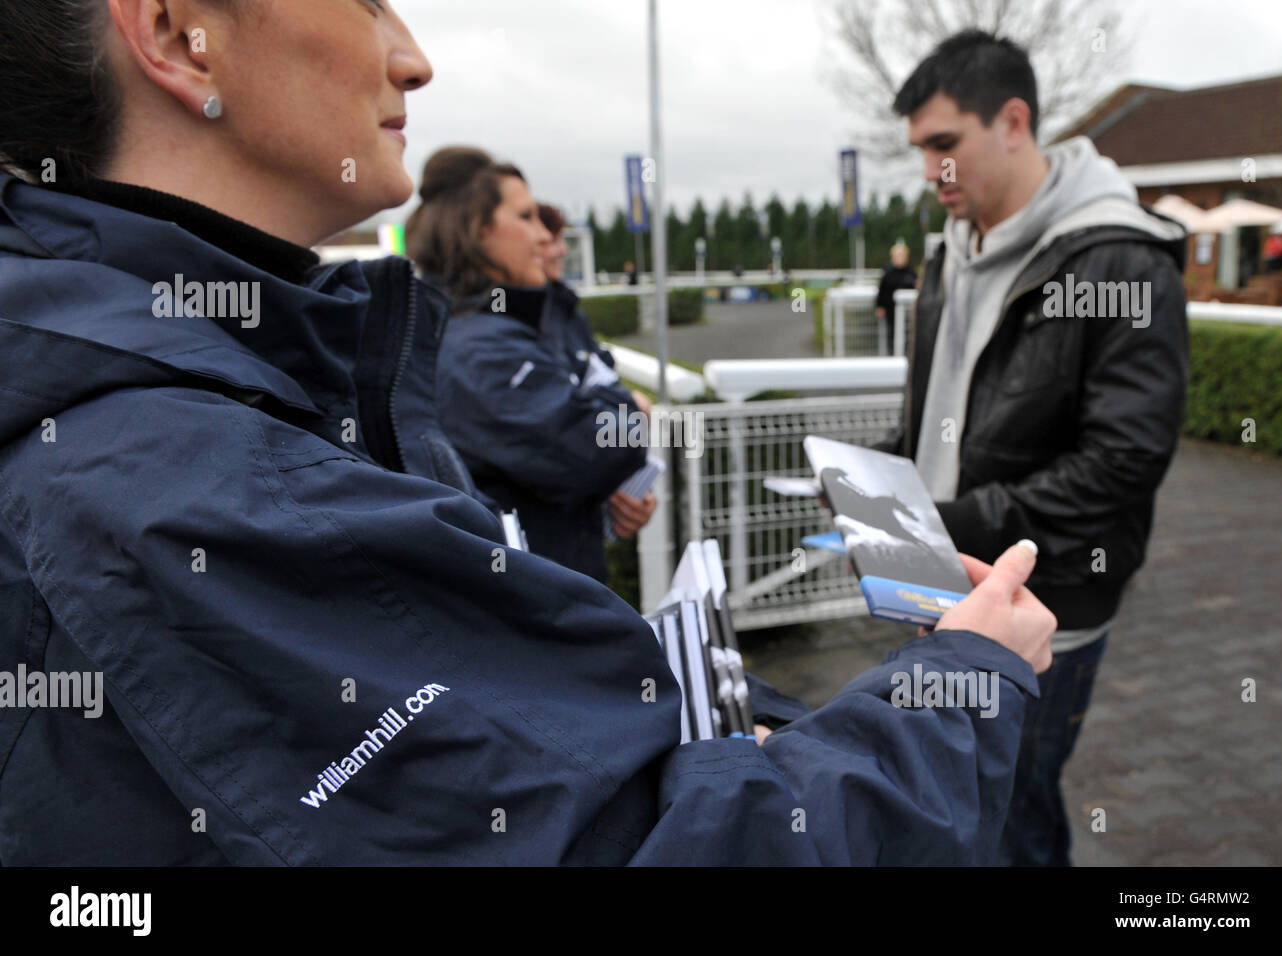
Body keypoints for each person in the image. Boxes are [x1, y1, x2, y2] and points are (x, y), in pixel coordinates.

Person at [0, 0, 1053, 866]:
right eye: (366, 1)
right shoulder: (187, 476)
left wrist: (720, 736)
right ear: (183, 33)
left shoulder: (206, 402)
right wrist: (960, 686)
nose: (412, 57)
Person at [881, 29, 1190, 866]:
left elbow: (1124, 460)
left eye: (945, 145)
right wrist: (880, 491)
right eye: (918, 151)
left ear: (1014, 121)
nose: (929, 173)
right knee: (952, 801)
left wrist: (952, 521)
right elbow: (938, 408)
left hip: (1046, 601)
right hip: (940, 582)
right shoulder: (952, 253)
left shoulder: (1120, 256)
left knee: (1011, 811)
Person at [405, 149, 650, 583]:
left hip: (541, 593)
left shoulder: (520, 317)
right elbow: (602, 447)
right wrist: (626, 408)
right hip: (527, 611)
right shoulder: (478, 350)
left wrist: (608, 495)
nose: (544, 236)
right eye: (526, 217)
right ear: (475, 230)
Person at [536, 202, 657, 544]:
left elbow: (610, 396)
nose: (562, 249)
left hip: (578, 544)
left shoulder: (566, 312)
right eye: (549, 241)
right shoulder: (491, 331)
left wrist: (627, 494)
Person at [875, 240, 918, 353]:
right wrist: (879, 306)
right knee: (893, 334)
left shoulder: (911, 272)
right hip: (891, 311)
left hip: (909, 313)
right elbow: (881, 291)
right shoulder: (888, 273)